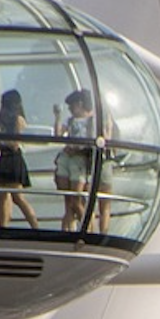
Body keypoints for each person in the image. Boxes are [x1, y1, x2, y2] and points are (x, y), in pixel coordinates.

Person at [53, 88, 106, 234]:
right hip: (66, 158)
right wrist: (57, 117)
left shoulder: (92, 121)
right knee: (68, 200)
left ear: (80, 104)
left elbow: (95, 142)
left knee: (76, 200)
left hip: (80, 160)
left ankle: (88, 230)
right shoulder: (69, 121)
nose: (70, 109)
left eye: (72, 105)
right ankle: (68, 230)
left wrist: (77, 149)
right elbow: (58, 134)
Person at [0, 87, 39, 229]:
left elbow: (15, 143)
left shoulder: (18, 120)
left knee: (17, 197)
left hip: (14, 159)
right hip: (4, 158)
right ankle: (2, 227)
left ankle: (35, 226)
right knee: (1, 197)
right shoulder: (1, 121)